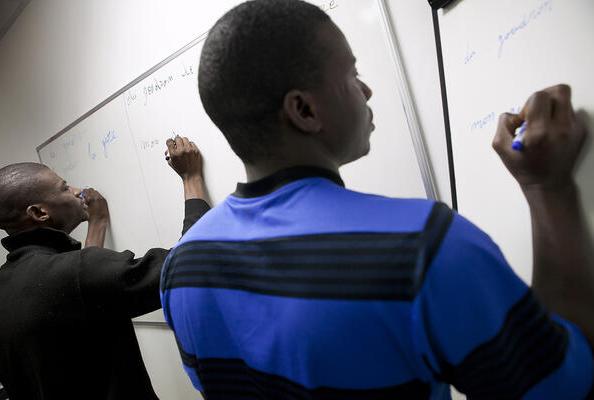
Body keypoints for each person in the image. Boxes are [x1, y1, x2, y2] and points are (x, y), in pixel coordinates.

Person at [160, 1, 594, 399]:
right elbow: (562, 386)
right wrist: (547, 188)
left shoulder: (182, 269)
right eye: (351, 76)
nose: (366, 91)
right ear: (304, 111)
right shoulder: (421, 247)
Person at [0, 137, 210, 399]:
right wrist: (191, 178)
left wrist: (96, 224)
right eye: (64, 187)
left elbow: (78, 297)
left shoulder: (2, 286)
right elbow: (188, 264)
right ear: (39, 213)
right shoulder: (76, 272)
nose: (76, 190)